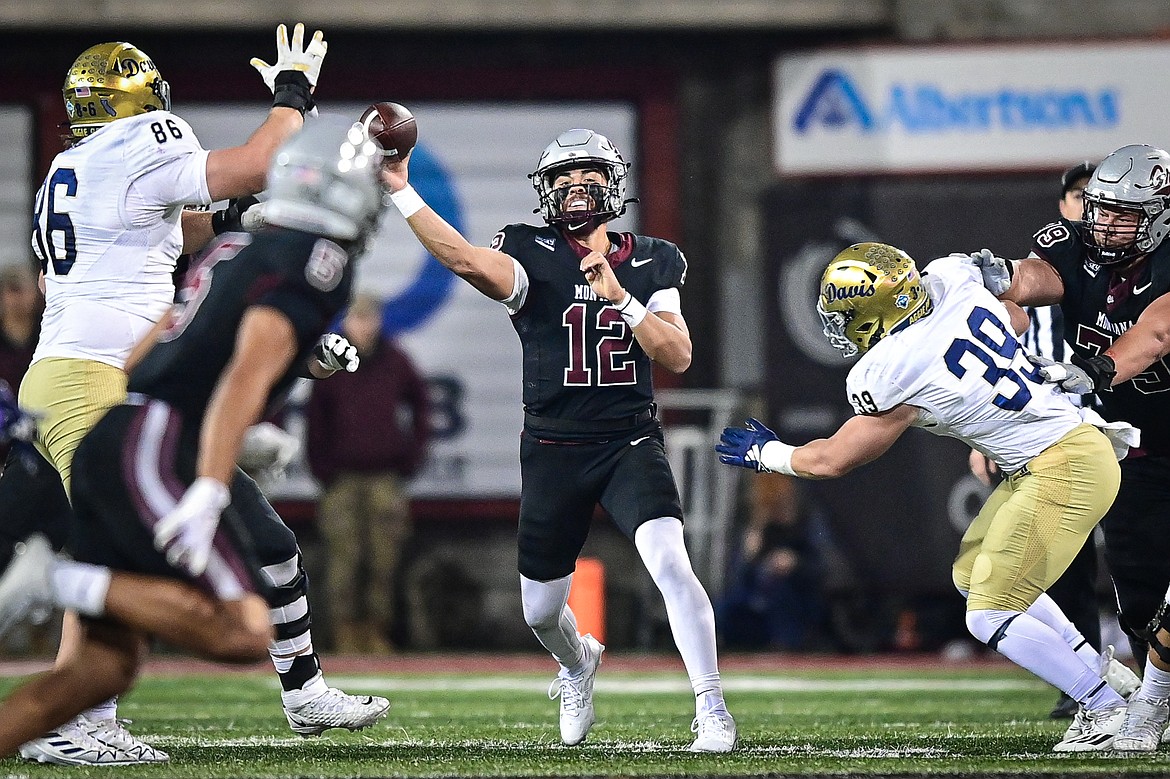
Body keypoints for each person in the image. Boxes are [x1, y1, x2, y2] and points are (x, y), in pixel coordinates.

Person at [12, 29, 384, 765]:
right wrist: (291, 93)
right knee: (124, 555)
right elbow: (254, 166)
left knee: (261, 539)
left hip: (77, 371)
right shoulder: (143, 140)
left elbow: (161, 228)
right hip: (102, 376)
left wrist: (227, 224)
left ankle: (300, 689)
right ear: (143, 102)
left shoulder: (75, 163)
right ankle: (71, 715)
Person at [379, 128, 736, 751]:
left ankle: (712, 708)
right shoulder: (530, 250)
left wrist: (622, 298)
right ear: (546, 191)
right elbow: (466, 261)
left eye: (589, 176)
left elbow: (676, 355)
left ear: (613, 184)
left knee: (673, 567)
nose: (576, 188)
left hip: (629, 441)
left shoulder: (651, 258)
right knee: (541, 612)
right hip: (552, 447)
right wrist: (402, 190)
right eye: (564, 179)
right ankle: (577, 666)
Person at [717, 242, 1139, 752]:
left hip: (1061, 464)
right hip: (1066, 450)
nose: (841, 324)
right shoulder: (950, 279)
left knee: (990, 612)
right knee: (973, 574)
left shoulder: (894, 368)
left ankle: (1102, 707)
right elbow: (1017, 320)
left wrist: (770, 454)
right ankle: (1108, 678)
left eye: (849, 313)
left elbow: (834, 459)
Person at [966, 144, 1170, 751]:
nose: (1104, 223)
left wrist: (1102, 371)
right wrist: (1005, 277)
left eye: (1123, 215)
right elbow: (1042, 276)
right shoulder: (1074, 240)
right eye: (1100, 210)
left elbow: (1158, 331)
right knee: (1138, 593)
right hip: (1136, 448)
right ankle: (1154, 705)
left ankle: (1150, 709)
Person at [968, 160, 1114, 722]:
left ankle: (1142, 681)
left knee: (1140, 557)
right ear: (1063, 205)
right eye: (1080, 195)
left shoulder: (1145, 269)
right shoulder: (1042, 270)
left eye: (1099, 196)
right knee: (1062, 564)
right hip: (1051, 438)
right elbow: (998, 359)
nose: (1089, 205)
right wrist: (986, 437)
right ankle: (1086, 678)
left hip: (1129, 429)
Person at [306, 292, 431, 653]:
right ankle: (345, 633)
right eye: (356, 318)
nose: (362, 326)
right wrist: (323, 470)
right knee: (343, 562)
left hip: (385, 479)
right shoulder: (330, 364)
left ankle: (376, 631)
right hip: (342, 480)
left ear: (378, 321)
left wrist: (410, 456)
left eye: (368, 318)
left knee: (384, 562)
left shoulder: (396, 362)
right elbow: (315, 421)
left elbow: (421, 407)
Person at [715, 473, 829, 651]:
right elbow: (738, 578)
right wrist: (749, 553)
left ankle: (784, 647)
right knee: (724, 607)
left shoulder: (805, 523)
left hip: (795, 594)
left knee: (783, 598)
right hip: (757, 595)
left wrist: (795, 563)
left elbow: (823, 568)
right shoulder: (756, 528)